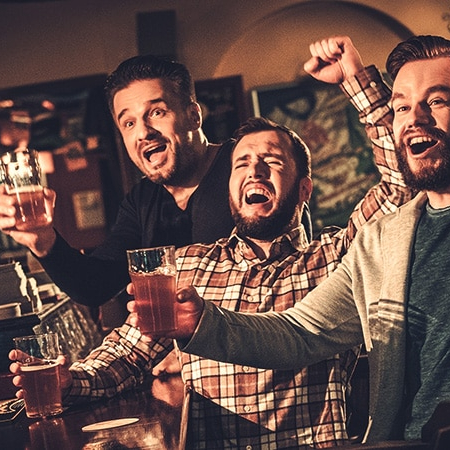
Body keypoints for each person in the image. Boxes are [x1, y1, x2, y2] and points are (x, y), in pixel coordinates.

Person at [163, 35, 450, 445]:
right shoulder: (383, 241)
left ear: (304, 190)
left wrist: (355, 79)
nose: (414, 118)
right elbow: (301, 333)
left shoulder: (334, 250)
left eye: (437, 101)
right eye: (401, 106)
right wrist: (201, 323)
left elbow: (392, 184)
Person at [0, 53, 312, 310]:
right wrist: (44, 241)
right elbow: (95, 285)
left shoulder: (246, 169)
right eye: (129, 122)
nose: (143, 131)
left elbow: (289, 279)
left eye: (157, 112)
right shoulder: (142, 200)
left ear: (194, 116)